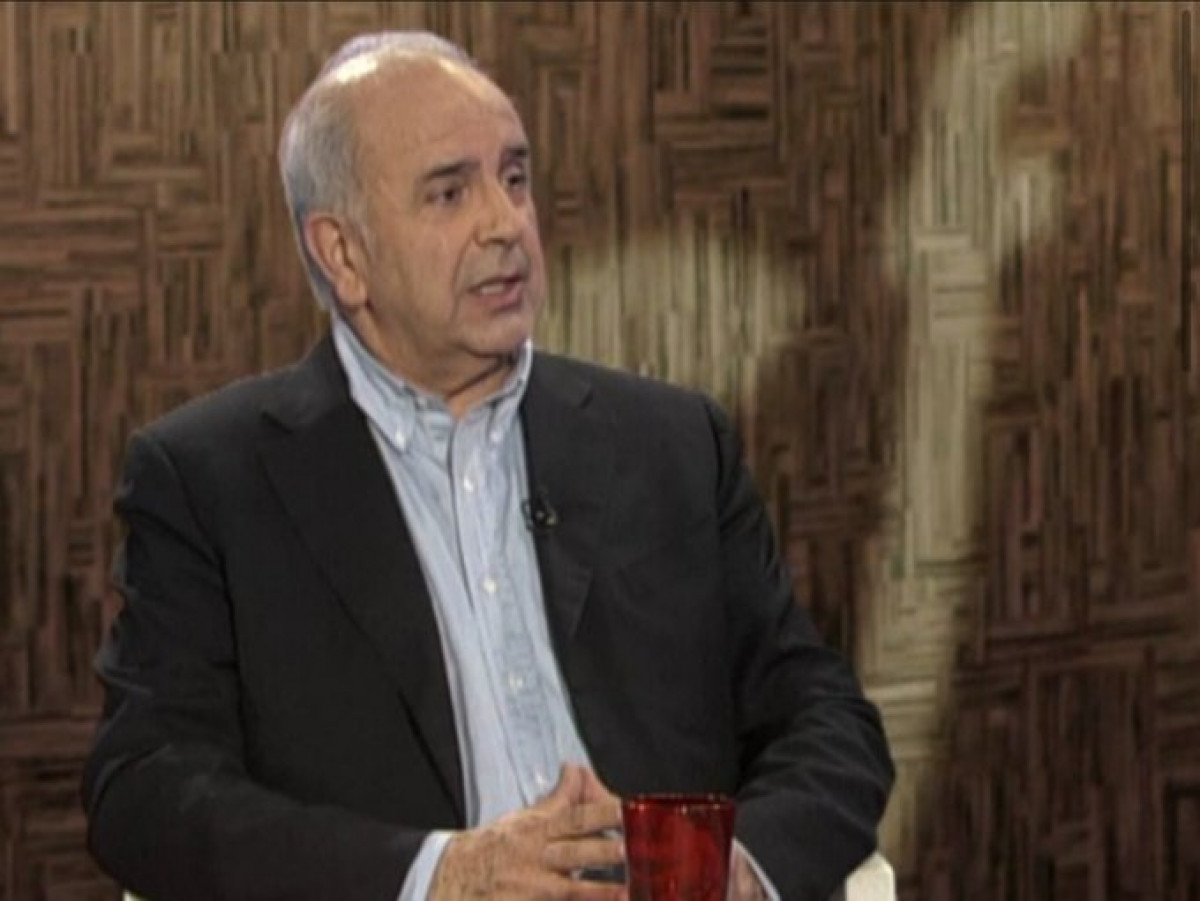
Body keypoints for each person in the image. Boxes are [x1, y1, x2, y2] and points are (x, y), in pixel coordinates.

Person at [82, 30, 893, 901]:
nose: (506, 224)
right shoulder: (211, 483)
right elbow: (146, 792)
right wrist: (438, 875)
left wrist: (735, 863)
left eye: (514, 178)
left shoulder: (672, 444)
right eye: (449, 192)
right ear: (343, 254)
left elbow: (827, 721)